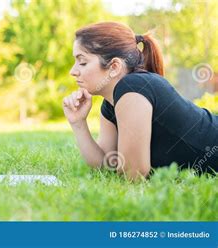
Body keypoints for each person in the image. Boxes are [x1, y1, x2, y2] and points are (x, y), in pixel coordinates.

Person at [62, 21, 217, 181]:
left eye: (82, 62)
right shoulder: (110, 103)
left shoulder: (133, 88)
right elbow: (105, 166)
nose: (73, 71)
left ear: (114, 67)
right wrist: (78, 123)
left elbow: (134, 174)